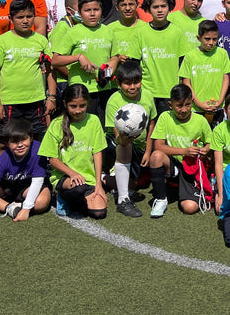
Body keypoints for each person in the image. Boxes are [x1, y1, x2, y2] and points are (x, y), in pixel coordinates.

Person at [0, 0, 55, 162]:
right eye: (20, 17)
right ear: (11, 18)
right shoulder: (2, 41)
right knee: (2, 143)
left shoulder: (41, 40)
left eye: (29, 16)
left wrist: (51, 97)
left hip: (35, 100)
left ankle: (35, 178)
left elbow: (51, 70)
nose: (25, 21)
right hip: (9, 102)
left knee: (35, 142)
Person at [42, 84, 108, 218]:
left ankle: (82, 199)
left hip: (87, 179)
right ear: (65, 104)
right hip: (65, 177)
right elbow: (52, 159)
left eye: (82, 106)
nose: (78, 110)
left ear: (88, 103)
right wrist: (72, 173)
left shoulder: (94, 121)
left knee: (99, 213)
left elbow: (97, 153)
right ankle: (62, 196)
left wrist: (98, 184)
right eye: (73, 106)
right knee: (78, 188)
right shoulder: (56, 124)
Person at [148, 83, 213, 216]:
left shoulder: (200, 120)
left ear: (192, 103)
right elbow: (158, 146)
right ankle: (160, 199)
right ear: (170, 105)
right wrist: (184, 151)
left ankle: (186, 189)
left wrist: (206, 149)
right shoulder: (165, 117)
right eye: (179, 105)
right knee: (156, 156)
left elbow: (210, 143)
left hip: (192, 167)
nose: (184, 109)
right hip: (174, 165)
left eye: (188, 104)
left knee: (189, 208)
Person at [105, 60, 159, 217]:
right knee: (125, 147)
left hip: (141, 147)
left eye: (136, 82)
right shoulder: (114, 101)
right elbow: (117, 137)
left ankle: (106, 178)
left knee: (136, 184)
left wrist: (148, 152)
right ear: (119, 84)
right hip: (117, 145)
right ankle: (123, 200)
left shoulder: (147, 95)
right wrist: (125, 140)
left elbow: (151, 124)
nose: (133, 86)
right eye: (127, 83)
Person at [51, 0, 114, 121]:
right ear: (79, 12)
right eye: (87, 10)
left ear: (101, 11)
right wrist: (78, 57)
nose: (92, 14)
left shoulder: (108, 31)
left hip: (104, 87)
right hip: (81, 91)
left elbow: (115, 56)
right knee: (80, 127)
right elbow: (55, 60)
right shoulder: (73, 32)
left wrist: (111, 66)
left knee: (100, 128)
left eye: (96, 10)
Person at [137, 0, 188, 113]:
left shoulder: (177, 32)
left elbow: (184, 63)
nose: (160, 10)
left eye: (163, 6)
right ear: (148, 9)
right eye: (155, 7)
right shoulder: (140, 32)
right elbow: (134, 63)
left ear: (170, 7)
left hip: (170, 92)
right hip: (146, 92)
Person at [179, 20, 230, 116]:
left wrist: (219, 101)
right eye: (207, 39)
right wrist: (198, 103)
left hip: (217, 107)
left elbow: (225, 77)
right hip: (196, 108)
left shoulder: (222, 53)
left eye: (214, 39)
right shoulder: (190, 56)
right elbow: (186, 82)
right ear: (199, 38)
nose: (211, 43)